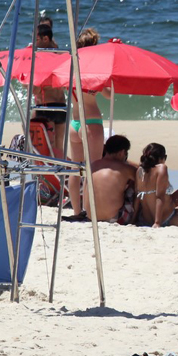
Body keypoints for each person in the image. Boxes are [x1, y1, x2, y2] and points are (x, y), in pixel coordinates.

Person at [67, 28, 109, 219]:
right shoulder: (95, 69)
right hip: (91, 122)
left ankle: (76, 211)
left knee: (75, 170)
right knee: (93, 169)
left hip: (74, 123)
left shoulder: (72, 68)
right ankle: (88, 212)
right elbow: (108, 95)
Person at [85, 135, 137, 224]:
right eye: (126, 153)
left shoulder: (93, 165)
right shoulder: (125, 168)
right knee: (135, 184)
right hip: (115, 218)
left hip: (91, 216)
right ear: (122, 152)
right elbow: (143, 177)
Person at [32, 24, 67, 155]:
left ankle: (48, 174)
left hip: (47, 106)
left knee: (47, 147)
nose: (35, 43)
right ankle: (60, 172)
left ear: (45, 39)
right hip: (61, 106)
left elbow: (35, 90)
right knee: (59, 144)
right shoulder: (62, 55)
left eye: (37, 39)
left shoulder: (41, 59)